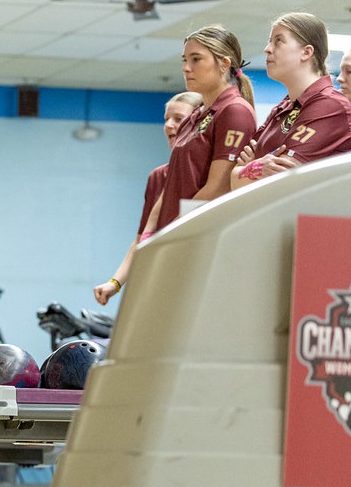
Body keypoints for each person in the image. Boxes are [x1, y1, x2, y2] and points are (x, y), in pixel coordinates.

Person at [96, 24, 259, 304]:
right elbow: (169, 189)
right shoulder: (195, 116)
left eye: (196, 59)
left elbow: (218, 187)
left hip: (199, 246)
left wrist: (173, 237)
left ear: (224, 63)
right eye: (184, 60)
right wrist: (151, 238)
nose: (186, 67)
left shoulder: (234, 111)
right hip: (174, 242)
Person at [92, 92, 200, 306]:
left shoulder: (206, 175)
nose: (169, 125)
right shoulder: (158, 177)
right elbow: (142, 240)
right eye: (166, 119)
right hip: (159, 279)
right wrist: (115, 283)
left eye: (178, 119)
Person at [232, 12, 351, 188]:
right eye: (270, 41)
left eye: (278, 41)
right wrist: (256, 167)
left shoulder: (330, 105)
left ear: (306, 52)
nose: (267, 49)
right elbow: (234, 180)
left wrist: (251, 166)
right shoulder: (284, 107)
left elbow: (282, 180)